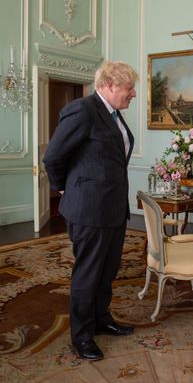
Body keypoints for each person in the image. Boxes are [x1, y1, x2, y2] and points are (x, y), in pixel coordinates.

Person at [43, 61, 139, 361]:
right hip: (89, 210)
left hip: (112, 209)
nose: (133, 93)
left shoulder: (113, 114)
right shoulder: (83, 110)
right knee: (88, 274)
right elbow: (53, 157)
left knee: (107, 271)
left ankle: (101, 319)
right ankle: (81, 336)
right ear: (110, 84)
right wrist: (64, 188)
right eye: (129, 87)